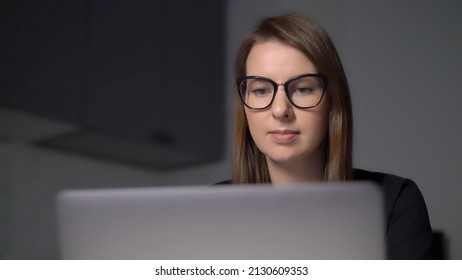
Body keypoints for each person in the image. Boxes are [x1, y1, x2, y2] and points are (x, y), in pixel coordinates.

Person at [217, 14, 432, 259]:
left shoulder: (395, 203)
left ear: (332, 99)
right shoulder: (205, 211)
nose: (280, 110)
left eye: (303, 89)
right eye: (261, 90)